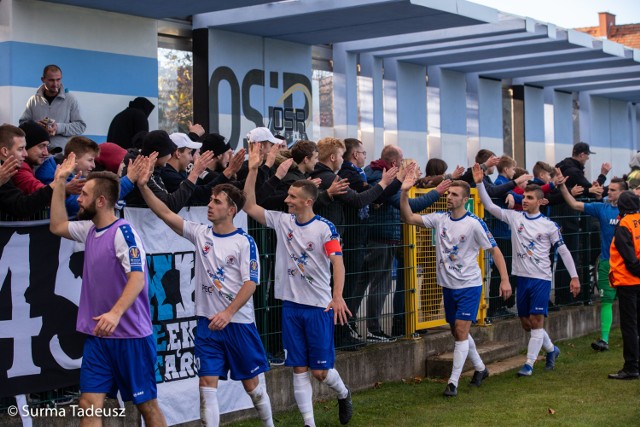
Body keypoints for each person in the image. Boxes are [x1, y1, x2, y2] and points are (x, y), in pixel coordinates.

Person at [137, 161, 274, 426]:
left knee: (252, 386)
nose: (210, 205)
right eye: (210, 199)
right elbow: (165, 213)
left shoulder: (244, 241)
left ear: (231, 210)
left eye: (217, 202)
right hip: (207, 324)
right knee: (206, 383)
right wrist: (143, 186)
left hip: (238, 324)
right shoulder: (201, 234)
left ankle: (268, 423)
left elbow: (251, 284)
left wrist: (228, 312)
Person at [48, 153, 166, 426]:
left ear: (101, 201)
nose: (78, 198)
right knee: (88, 404)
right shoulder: (89, 229)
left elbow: (138, 277)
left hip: (131, 338)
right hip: (98, 337)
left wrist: (114, 314)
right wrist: (58, 182)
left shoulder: (124, 233)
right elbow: (56, 226)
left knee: (146, 405)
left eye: (85, 194)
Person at [243, 142, 353, 426]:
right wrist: (253, 170)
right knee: (299, 369)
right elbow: (249, 205)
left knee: (321, 372)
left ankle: (343, 393)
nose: (287, 200)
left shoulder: (324, 228)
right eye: (288, 195)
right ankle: (309, 423)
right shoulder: (282, 221)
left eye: (292, 196)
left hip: (318, 307)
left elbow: (338, 263)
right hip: (291, 306)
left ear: (307, 201)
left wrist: (337, 296)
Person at [400, 164, 511, 397]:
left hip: (469, 285)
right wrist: (404, 191)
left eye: (454, 195)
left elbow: (495, 251)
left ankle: (453, 382)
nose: (449, 197)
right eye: (449, 193)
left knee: (461, 330)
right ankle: (480, 368)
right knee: (457, 331)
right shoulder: (439, 219)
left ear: (464, 200)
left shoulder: (474, 223)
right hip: (448, 285)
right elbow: (408, 216)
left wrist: (504, 280)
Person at [473, 164, 580, 378]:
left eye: (530, 198)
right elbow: (488, 205)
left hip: (541, 278)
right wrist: (478, 183)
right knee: (526, 323)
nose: (525, 200)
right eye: (525, 197)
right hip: (521, 278)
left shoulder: (549, 225)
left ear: (540, 201)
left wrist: (574, 276)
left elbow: (564, 251)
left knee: (536, 320)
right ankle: (551, 350)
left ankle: (529, 364)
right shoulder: (515, 218)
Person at [558, 171, 625, 351]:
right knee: (607, 301)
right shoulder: (602, 208)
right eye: (608, 189)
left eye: (612, 190)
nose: (608, 192)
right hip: (607, 263)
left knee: (630, 302)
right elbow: (573, 203)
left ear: (622, 193)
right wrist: (562, 187)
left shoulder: (632, 210)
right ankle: (604, 339)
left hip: (628, 264)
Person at [607, 190, 640, 380]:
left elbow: (629, 259)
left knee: (629, 326)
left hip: (628, 282)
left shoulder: (624, 225)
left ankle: (631, 367)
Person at [19, 64, 86, 150]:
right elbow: (22, 125)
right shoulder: (33, 100)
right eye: (51, 80)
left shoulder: (70, 99)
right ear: (43, 79)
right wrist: (36, 127)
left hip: (61, 154)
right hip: (38, 155)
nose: (55, 84)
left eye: (58, 80)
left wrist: (58, 128)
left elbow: (80, 126)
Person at [0, 124, 56, 218]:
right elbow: (21, 206)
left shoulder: (5, 172)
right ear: (5, 151)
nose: (25, 154)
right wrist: (54, 187)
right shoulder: (4, 173)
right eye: (21, 149)